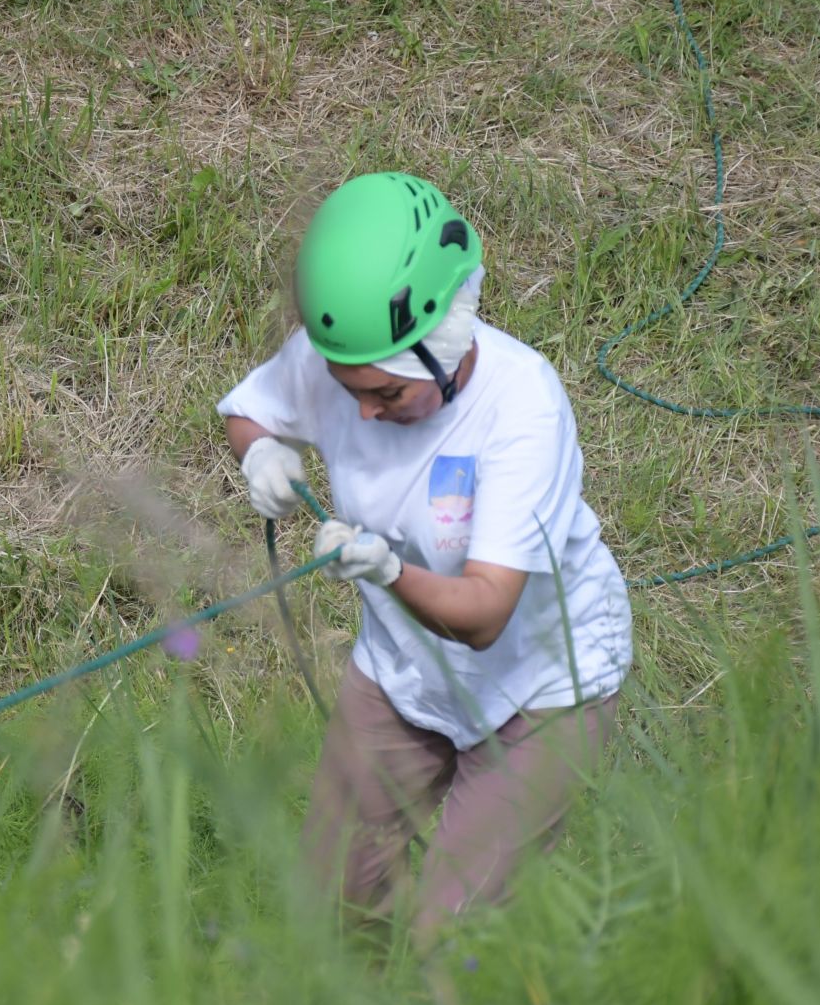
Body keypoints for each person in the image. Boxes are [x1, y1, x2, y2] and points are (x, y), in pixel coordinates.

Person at [217, 170, 631, 945]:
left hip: (540, 685)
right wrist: (262, 456)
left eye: (385, 396)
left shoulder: (523, 409)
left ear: (442, 342)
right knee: (335, 898)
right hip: (405, 668)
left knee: (448, 935)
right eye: (349, 391)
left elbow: (483, 614)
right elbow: (248, 410)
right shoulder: (344, 364)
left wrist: (387, 571)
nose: (363, 413)